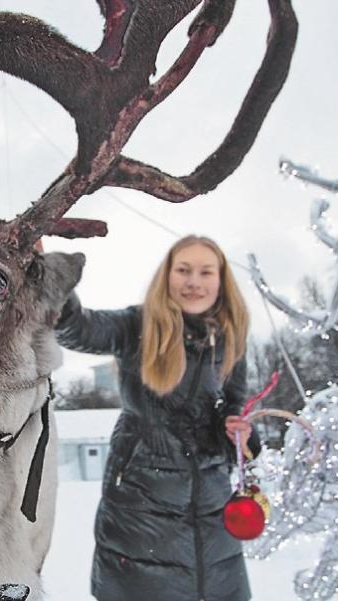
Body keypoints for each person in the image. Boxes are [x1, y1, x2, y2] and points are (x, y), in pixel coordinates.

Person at [55, 235, 260, 601]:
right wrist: (50, 274)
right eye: (183, 270)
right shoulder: (137, 325)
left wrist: (240, 433)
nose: (193, 281)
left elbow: (234, 405)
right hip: (141, 511)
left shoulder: (231, 337)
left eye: (204, 272)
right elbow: (76, 328)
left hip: (213, 515)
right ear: (167, 276)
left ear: (220, 279)